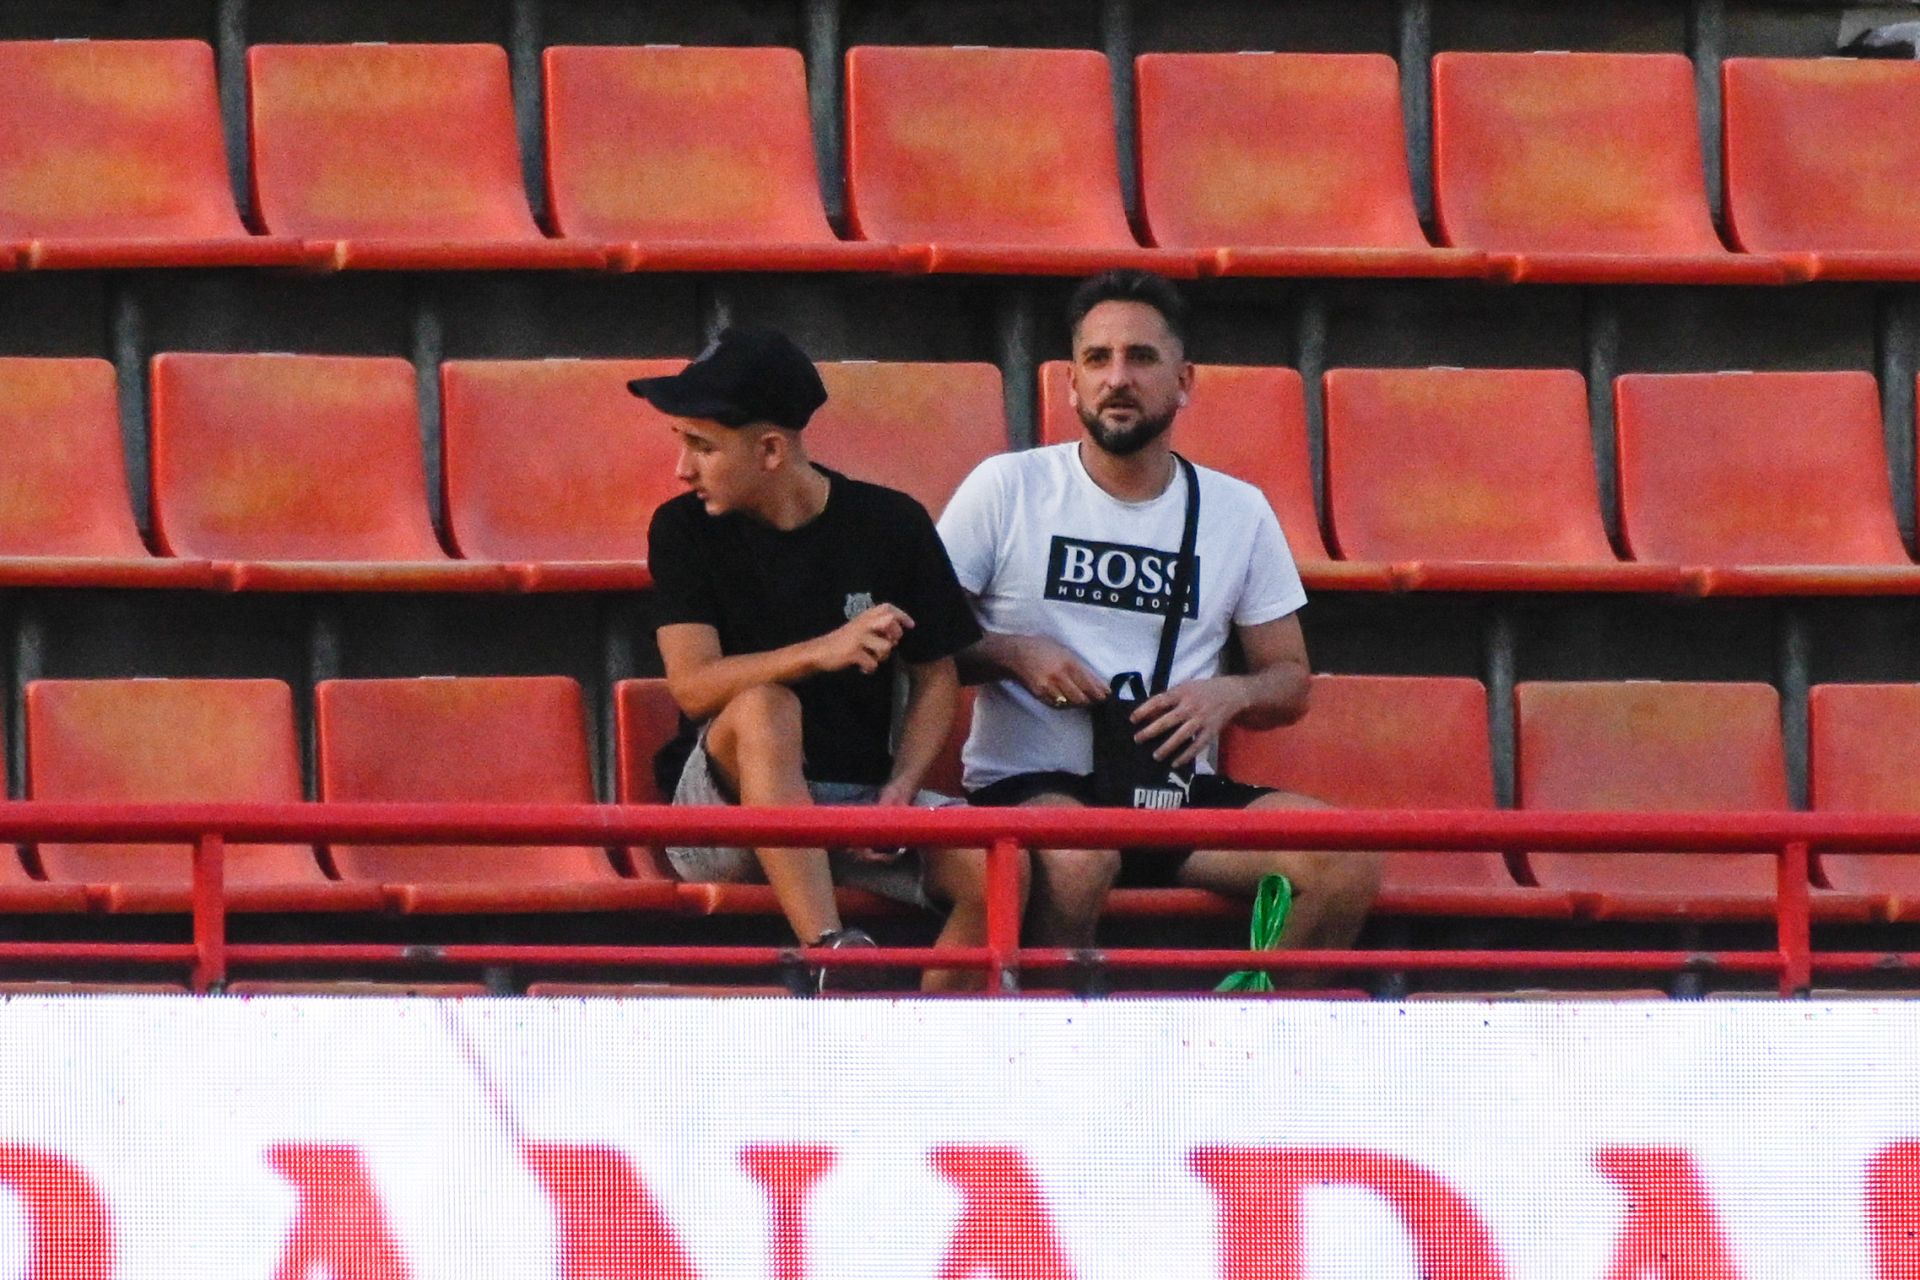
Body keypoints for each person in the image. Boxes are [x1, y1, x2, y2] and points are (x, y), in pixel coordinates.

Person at [936, 269, 1380, 959]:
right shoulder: (1008, 487)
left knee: (1346, 860)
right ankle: (1061, 1051)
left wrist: (1229, 694)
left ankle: (1242, 1051)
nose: (1118, 378)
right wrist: (1012, 653)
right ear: (1071, 383)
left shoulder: (1239, 509)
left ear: (1184, 380)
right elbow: (922, 641)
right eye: (1097, 359)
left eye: (1141, 358)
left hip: (1172, 793)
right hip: (1034, 790)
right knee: (1081, 860)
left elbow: (1290, 680)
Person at [635, 326, 1015, 993]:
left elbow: (937, 675)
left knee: (998, 867)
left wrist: (900, 790)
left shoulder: (891, 523)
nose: (682, 469)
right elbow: (694, 690)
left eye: (702, 447)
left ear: (772, 449)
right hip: (720, 818)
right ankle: (832, 957)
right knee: (765, 708)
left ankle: (943, 1043)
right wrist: (822, 651)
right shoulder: (682, 528)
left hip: (852, 801)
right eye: (681, 444)